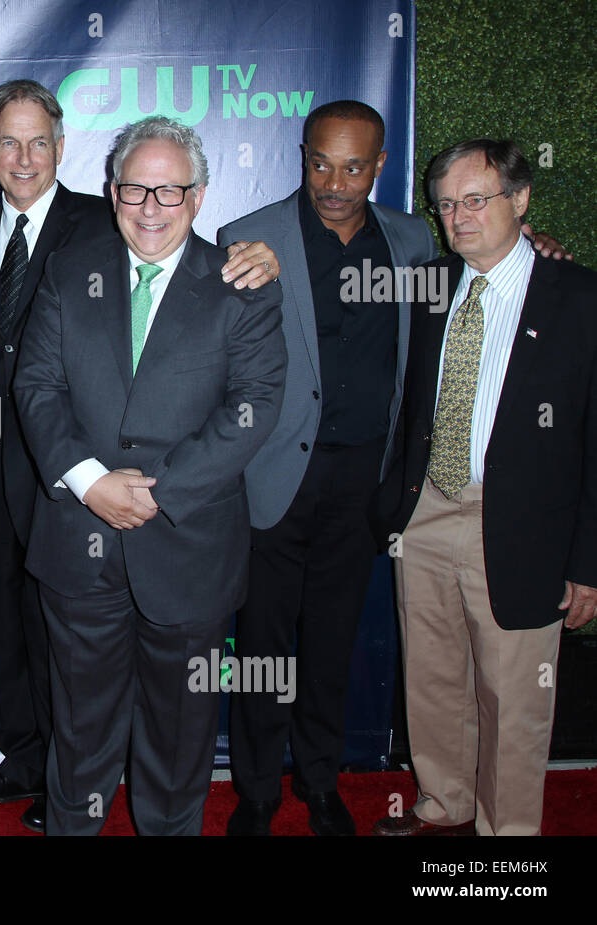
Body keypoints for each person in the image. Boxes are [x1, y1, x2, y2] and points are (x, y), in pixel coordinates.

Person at [219, 101, 573, 837]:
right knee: (260, 650)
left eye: (354, 166)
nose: (335, 181)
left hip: (371, 489)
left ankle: (319, 783)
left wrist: (540, 251)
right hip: (272, 483)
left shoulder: (415, 245)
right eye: (321, 162)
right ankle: (256, 792)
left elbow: (495, 267)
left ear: (381, 166)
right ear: (302, 154)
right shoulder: (248, 238)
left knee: (330, 647)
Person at [0, 78, 281, 833]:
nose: (152, 207)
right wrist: (91, 481)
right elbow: (34, 388)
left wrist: (156, 491)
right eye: (136, 188)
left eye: (171, 192)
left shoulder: (244, 284)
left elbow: (254, 408)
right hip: (79, 546)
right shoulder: (71, 273)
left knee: (180, 744)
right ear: (111, 191)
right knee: (80, 740)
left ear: (199, 197)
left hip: (189, 550)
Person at [371, 139, 596, 836]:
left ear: (521, 200)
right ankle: (444, 803)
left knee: (513, 696)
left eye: (477, 199)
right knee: (432, 676)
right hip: (427, 512)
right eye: (446, 204)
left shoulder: (580, 298)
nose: (459, 217)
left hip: (524, 528)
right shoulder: (430, 287)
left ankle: (506, 839)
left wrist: (587, 566)